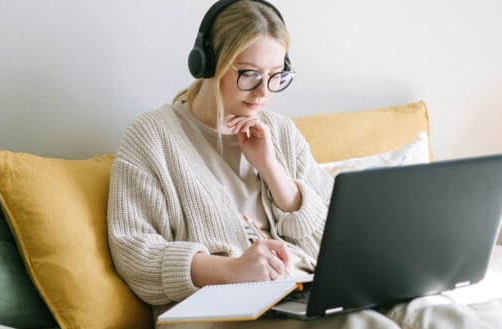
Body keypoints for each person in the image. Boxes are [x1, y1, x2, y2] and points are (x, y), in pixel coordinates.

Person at [107, 1, 502, 328]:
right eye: (249, 75)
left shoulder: (279, 131)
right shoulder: (151, 137)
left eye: (276, 76)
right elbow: (136, 255)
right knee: (363, 325)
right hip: (221, 310)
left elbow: (333, 239)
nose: (263, 92)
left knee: (431, 310)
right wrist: (229, 271)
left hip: (302, 289)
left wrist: (274, 172)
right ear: (208, 63)